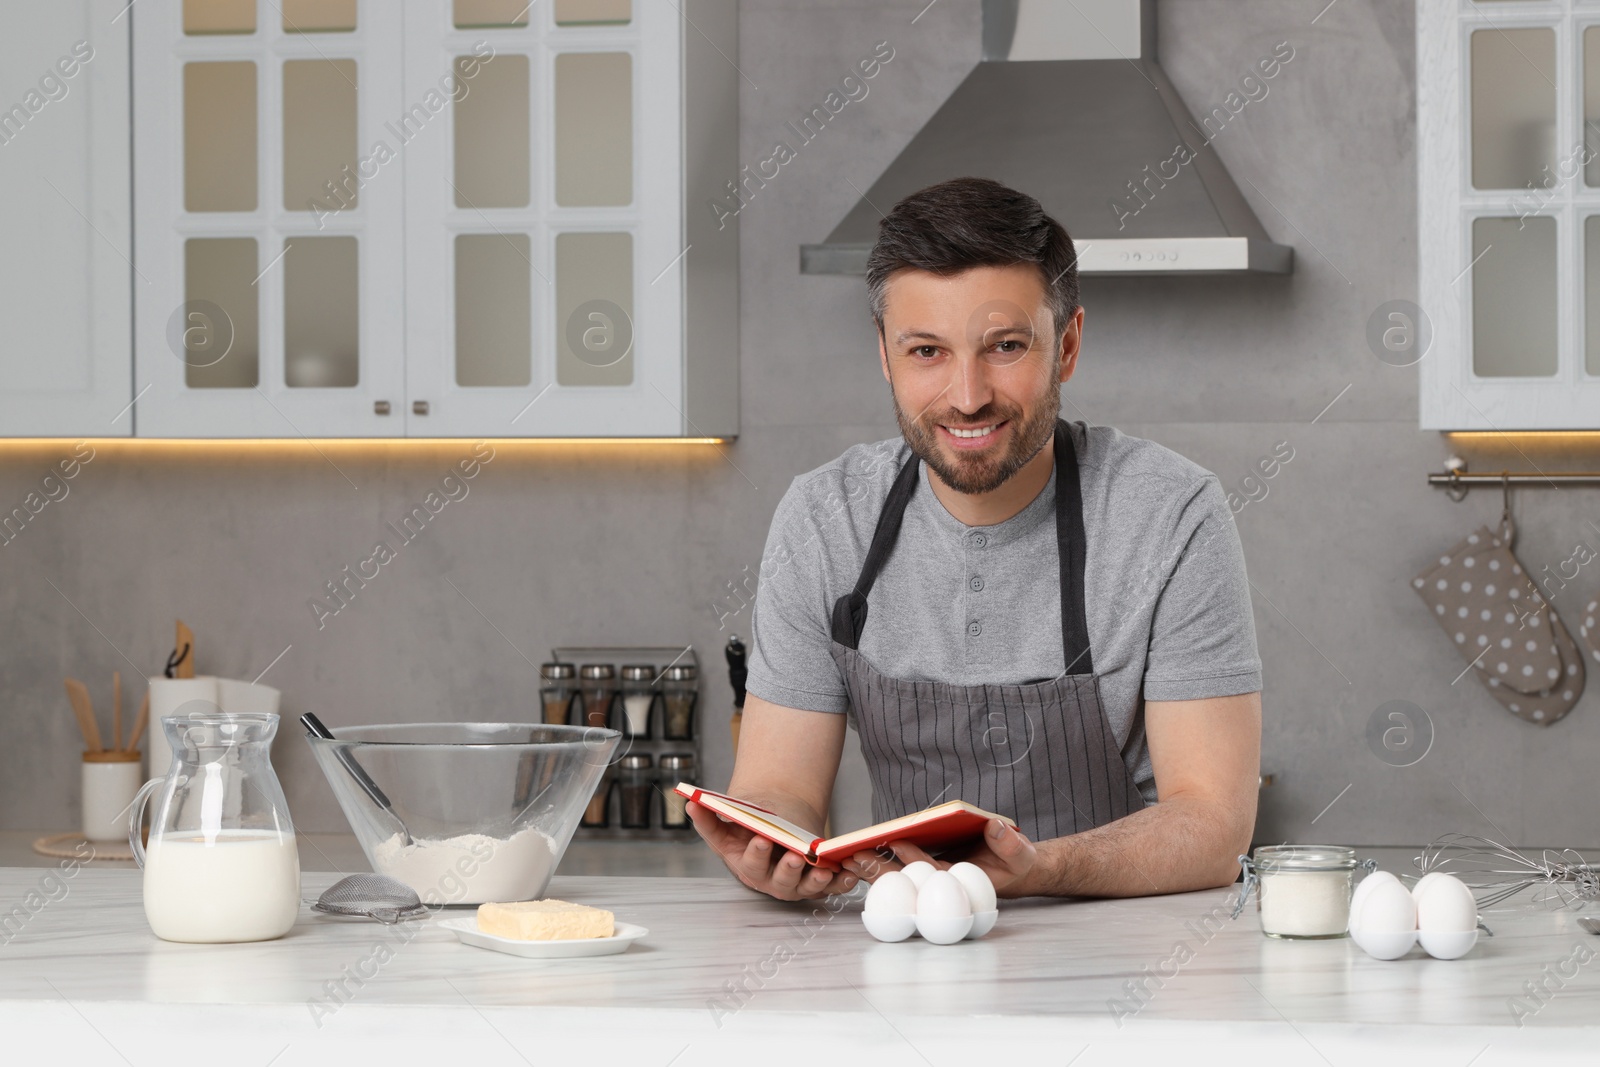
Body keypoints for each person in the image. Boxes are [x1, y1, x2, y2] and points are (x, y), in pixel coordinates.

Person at [689, 177, 1262, 901]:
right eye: (927, 350)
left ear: (1069, 345)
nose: (967, 394)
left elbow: (1212, 824)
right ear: (885, 356)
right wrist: (769, 840)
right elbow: (779, 787)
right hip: (906, 957)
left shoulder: (1171, 514)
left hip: (1121, 968)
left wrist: (1038, 869)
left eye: (1004, 346)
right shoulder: (823, 518)